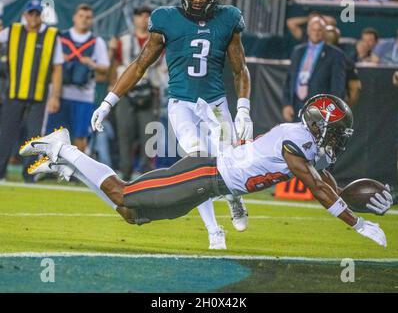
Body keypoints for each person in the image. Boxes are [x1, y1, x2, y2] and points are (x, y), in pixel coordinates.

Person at [21, 94, 393, 248]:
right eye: (337, 131)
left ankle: (68, 161)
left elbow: (327, 184)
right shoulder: (296, 139)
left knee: (130, 214)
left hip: (209, 185)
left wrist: (351, 199)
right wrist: (357, 225)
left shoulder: (307, 145)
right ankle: (64, 146)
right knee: (123, 192)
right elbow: (317, 187)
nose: (340, 138)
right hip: (204, 175)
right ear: (319, 126)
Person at [90, 0, 253, 250]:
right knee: (196, 168)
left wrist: (243, 108)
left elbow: (240, 68)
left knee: (228, 161)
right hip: (182, 105)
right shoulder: (166, 18)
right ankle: (214, 230)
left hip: (216, 105)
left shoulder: (228, 18)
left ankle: (234, 199)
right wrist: (108, 101)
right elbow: (141, 64)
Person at [0, 0, 63, 182]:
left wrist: (55, 97)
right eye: (31, 13)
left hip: (39, 95)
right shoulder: (12, 31)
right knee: (6, 134)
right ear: (25, 15)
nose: (34, 17)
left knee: (35, 137)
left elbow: (57, 68)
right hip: (14, 93)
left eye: (37, 13)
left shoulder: (51, 36)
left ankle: (29, 176)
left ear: (42, 16)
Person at [46, 4, 110, 152]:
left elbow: (104, 67)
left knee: (80, 136)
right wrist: (59, 58)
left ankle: (77, 172)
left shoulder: (97, 41)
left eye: (88, 17)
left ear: (92, 20)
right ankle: (52, 168)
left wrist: (91, 63)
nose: (84, 20)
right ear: (74, 17)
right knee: (54, 134)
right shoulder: (61, 37)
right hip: (60, 93)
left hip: (84, 96)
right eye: (81, 16)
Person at [109, 5, 160, 180]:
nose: (144, 19)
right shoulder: (123, 40)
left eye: (148, 16)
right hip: (126, 91)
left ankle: (147, 174)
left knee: (149, 134)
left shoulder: (159, 40)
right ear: (134, 19)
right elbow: (114, 65)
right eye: (140, 15)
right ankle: (125, 173)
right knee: (125, 133)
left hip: (149, 90)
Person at [282, 16, 346, 122]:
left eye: (320, 30)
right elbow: (289, 80)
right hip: (296, 107)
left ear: (325, 32)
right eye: (313, 29)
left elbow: (337, 87)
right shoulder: (297, 52)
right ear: (308, 31)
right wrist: (287, 104)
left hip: (320, 110)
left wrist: (331, 110)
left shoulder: (335, 54)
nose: (316, 33)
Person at [324, 25, 361, 107]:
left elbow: (355, 86)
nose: (329, 37)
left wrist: (347, 106)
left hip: (333, 103)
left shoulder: (344, 59)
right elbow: (355, 87)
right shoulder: (310, 55)